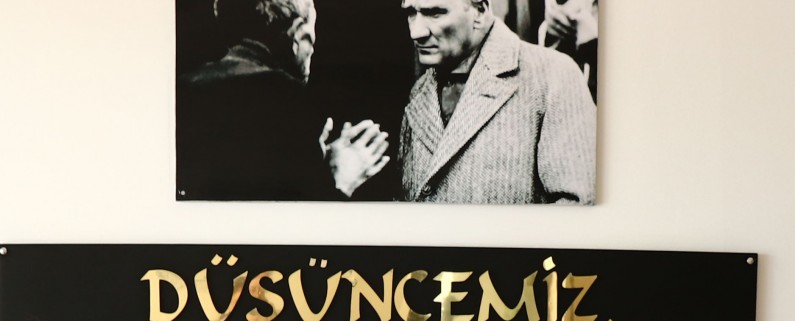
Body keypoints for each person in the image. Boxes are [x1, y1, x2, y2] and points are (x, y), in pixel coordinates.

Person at [178, 0, 391, 200]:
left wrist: (316, 170)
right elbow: (296, 228)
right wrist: (339, 181)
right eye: (311, 42)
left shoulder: (182, 90)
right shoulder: (288, 98)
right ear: (299, 35)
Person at [398, 0, 595, 204]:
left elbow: (577, 207)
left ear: (479, 12)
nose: (416, 32)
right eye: (411, 13)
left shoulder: (553, 75)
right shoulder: (420, 91)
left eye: (435, 13)